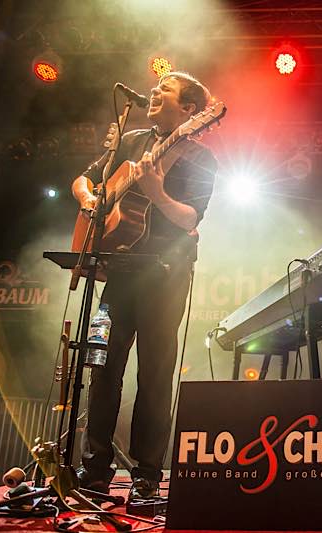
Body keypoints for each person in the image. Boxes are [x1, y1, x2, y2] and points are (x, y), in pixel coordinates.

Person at [71, 72, 217, 501]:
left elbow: (191, 219)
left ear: (191, 110)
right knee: (101, 366)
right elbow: (84, 179)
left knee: (153, 374)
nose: (154, 92)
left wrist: (156, 192)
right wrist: (90, 200)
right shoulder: (131, 140)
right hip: (118, 271)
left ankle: (147, 472)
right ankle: (94, 467)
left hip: (165, 273)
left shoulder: (200, 157)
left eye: (165, 91)